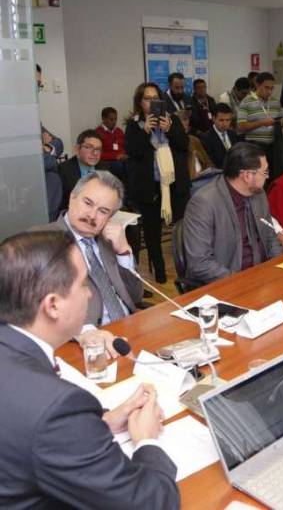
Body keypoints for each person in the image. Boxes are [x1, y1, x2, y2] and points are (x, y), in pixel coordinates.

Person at [0, 230, 179, 508]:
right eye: (83, 283)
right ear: (53, 305)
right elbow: (151, 503)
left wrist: (102, 422)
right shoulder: (57, 407)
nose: (89, 293)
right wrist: (146, 440)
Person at [39, 170, 143, 349]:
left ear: (110, 217)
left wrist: (123, 251)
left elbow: (135, 296)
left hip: (128, 331)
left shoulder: (109, 240)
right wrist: (85, 331)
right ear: (72, 197)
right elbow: (38, 302)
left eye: (103, 211)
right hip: (84, 342)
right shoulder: (42, 241)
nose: (92, 215)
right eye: (88, 203)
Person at [183, 142, 283, 285]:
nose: (267, 177)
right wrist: (242, 282)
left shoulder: (259, 194)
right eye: (265, 172)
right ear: (247, 176)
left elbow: (270, 238)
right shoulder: (204, 203)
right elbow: (200, 264)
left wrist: (278, 269)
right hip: (229, 282)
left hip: (263, 278)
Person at [125, 82, 190, 283]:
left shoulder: (172, 120)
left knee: (181, 229)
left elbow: (184, 145)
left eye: (155, 98)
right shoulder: (134, 125)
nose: (152, 102)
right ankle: (159, 270)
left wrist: (169, 129)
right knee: (152, 232)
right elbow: (133, 152)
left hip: (174, 185)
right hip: (149, 187)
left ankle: (186, 268)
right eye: (147, 99)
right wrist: (145, 131)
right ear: (140, 102)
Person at [237, 71, 283, 169]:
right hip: (255, 147)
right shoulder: (246, 101)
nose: (269, 92)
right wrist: (261, 123)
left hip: (274, 147)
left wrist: (281, 122)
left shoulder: (275, 102)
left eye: (272, 88)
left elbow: (281, 120)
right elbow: (241, 127)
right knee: (257, 174)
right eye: (266, 88)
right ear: (257, 85)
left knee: (273, 174)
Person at [59, 129, 110, 208]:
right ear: (77, 149)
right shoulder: (64, 169)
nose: (95, 153)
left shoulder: (104, 168)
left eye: (98, 149)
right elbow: (62, 204)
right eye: (89, 147)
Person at [176, 109, 215, 191]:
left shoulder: (194, 140)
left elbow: (208, 162)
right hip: (191, 184)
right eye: (181, 121)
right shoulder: (172, 144)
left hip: (204, 178)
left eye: (186, 119)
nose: (184, 123)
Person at [201, 103, 239, 168]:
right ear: (213, 118)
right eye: (221, 120)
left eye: (228, 120)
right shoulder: (206, 138)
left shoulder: (233, 134)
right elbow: (210, 162)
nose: (225, 124)